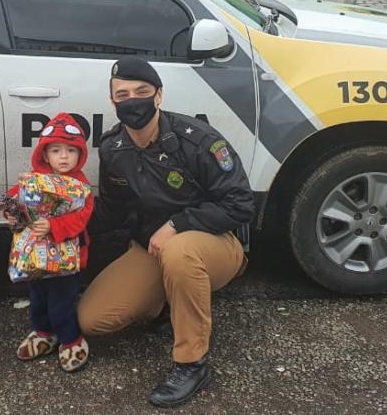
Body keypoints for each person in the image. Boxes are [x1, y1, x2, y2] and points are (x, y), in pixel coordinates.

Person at [78, 57, 255, 408]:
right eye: (123, 94)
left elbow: (241, 205)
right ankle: (167, 299)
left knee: (180, 252)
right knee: (90, 320)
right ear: (113, 102)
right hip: (152, 249)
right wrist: (57, 221)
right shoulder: (114, 149)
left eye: (142, 92)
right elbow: (113, 210)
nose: (133, 101)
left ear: (158, 96)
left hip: (216, 247)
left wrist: (177, 225)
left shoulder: (198, 141)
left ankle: (192, 363)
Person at [4, 112, 92, 373]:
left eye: (70, 150)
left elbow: (82, 216)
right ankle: (42, 332)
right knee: (38, 297)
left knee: (62, 301)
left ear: (80, 154)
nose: (63, 157)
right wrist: (12, 215)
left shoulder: (80, 185)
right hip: (34, 257)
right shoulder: (32, 179)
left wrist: (54, 226)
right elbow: (15, 200)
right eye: (56, 150)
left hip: (65, 259)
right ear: (45, 154)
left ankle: (70, 339)